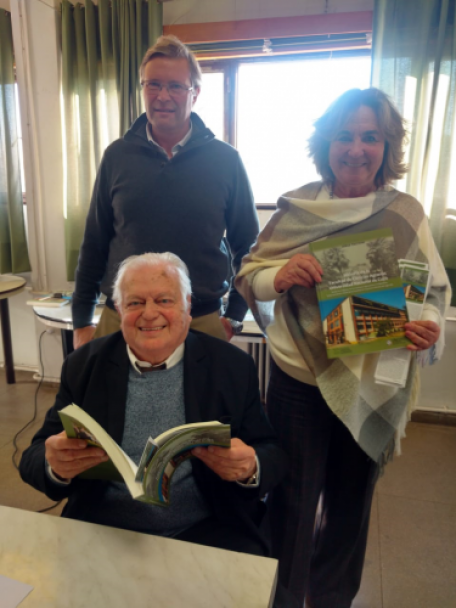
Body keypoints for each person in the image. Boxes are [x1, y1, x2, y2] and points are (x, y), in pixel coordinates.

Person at [236, 88, 452, 607]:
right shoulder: (298, 207)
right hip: (299, 381)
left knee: (351, 505)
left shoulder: (405, 213)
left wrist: (427, 324)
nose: (356, 148)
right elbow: (247, 272)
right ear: (326, 143)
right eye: (344, 136)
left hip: (373, 381)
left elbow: (431, 291)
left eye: (369, 137)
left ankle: (331, 599)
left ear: (387, 145)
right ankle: (281, 598)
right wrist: (280, 275)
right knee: (290, 499)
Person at [20, 252, 287, 556]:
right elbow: (33, 457)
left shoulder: (232, 367)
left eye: (164, 300)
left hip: (208, 529)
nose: (149, 314)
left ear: (187, 306)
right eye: (135, 303)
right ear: (119, 310)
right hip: (103, 527)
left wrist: (249, 466)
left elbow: (272, 452)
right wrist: (54, 465)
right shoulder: (83, 366)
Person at [72, 35, 258, 349]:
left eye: (175, 86)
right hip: (123, 319)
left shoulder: (226, 161)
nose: (162, 96)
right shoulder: (116, 156)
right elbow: (94, 243)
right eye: (153, 84)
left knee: (201, 400)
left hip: (200, 320)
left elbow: (249, 247)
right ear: (142, 89)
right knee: (112, 400)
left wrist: (236, 314)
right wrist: (81, 321)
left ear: (195, 93)